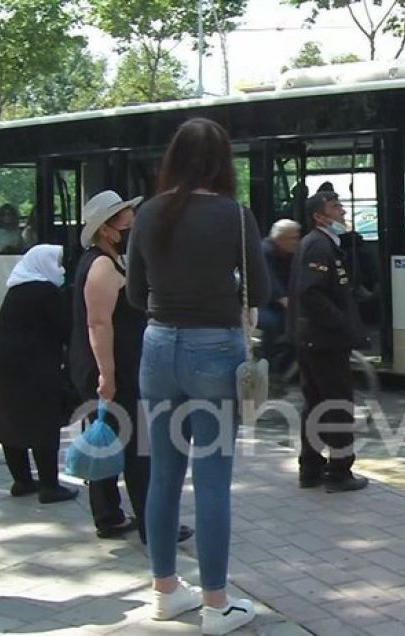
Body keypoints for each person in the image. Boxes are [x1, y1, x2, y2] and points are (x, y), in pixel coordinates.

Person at [127, 117, 269, 635]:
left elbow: (132, 295)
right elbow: (263, 291)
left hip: (158, 345)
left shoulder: (148, 214)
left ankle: (165, 591)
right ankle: (216, 604)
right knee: (212, 479)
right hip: (214, 349)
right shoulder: (235, 216)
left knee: (163, 473)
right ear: (222, 161)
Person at [70, 190, 192, 544]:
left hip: (114, 368)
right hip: (115, 370)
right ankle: (154, 524)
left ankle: (110, 516)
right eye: (124, 216)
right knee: (139, 448)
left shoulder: (107, 260)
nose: (132, 221)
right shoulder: (102, 265)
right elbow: (99, 323)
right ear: (106, 229)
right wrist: (106, 375)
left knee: (107, 441)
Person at [0, 244, 78, 504]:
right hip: (31, 365)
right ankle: (49, 486)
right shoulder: (45, 292)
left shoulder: (18, 288)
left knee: (9, 418)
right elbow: (66, 328)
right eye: (57, 263)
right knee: (43, 420)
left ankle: (21, 480)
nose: (62, 269)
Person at [287, 191, 369, 493]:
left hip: (315, 340)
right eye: (335, 207)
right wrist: (342, 324)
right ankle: (339, 470)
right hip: (324, 341)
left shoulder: (323, 244)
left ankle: (310, 467)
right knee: (338, 404)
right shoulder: (319, 246)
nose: (342, 211)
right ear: (319, 217)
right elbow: (312, 293)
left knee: (317, 403)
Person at [258, 219, 300, 389]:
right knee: (272, 324)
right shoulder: (264, 251)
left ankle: (285, 367)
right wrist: (284, 299)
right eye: (292, 238)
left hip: (277, 302)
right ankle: (269, 369)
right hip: (258, 303)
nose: (296, 242)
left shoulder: (289, 253)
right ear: (280, 238)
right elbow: (270, 281)